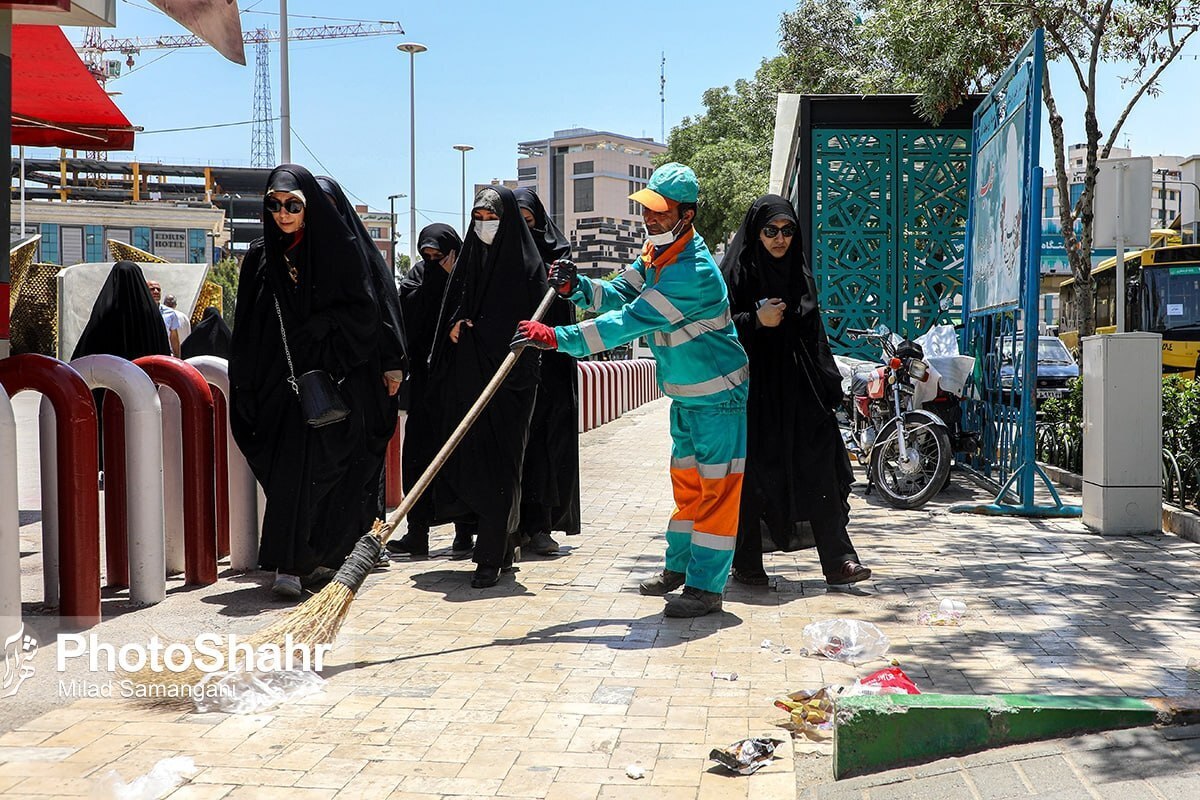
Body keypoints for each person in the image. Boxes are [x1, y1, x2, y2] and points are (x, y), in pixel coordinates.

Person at [512, 163, 748, 618]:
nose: (650, 219)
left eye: (661, 213)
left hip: (720, 398)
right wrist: (576, 288)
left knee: (717, 493)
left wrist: (557, 338)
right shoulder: (656, 254)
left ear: (688, 213)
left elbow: (628, 322)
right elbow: (619, 292)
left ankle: (706, 587)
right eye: (648, 211)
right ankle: (679, 569)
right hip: (687, 396)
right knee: (689, 489)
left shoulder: (691, 271)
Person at [228, 164, 393, 599]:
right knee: (288, 476)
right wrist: (243, 384)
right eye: (275, 205)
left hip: (329, 384)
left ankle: (315, 560)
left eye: (293, 206)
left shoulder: (336, 252)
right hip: (277, 385)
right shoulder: (261, 257)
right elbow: (245, 326)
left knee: (325, 474)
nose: (283, 214)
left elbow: (366, 314)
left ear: (309, 208)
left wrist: (327, 327)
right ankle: (289, 563)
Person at [720, 194, 870, 587]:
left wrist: (827, 388)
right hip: (752, 392)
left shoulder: (800, 275)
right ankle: (747, 563)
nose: (780, 239)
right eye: (771, 231)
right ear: (756, 233)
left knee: (819, 468)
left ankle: (840, 561)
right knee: (752, 477)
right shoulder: (736, 273)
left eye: (788, 231)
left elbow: (814, 336)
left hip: (801, 392)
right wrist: (756, 319)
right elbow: (716, 329)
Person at [428, 187, 548, 588]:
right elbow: (453, 309)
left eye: (490, 217)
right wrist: (457, 326)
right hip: (471, 380)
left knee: (504, 463)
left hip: (512, 381)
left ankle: (490, 556)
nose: (483, 225)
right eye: (477, 218)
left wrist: (484, 332)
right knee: (475, 460)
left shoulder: (528, 265)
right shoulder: (470, 262)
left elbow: (533, 323)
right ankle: (504, 540)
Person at [316, 175, 408, 526]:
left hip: (364, 374)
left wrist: (393, 366)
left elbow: (385, 309)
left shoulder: (362, 254)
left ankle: (369, 531)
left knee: (364, 456)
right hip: (319, 376)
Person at [387, 223, 476, 558]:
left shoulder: (468, 275)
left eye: (439, 256)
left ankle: (465, 534)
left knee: (460, 458)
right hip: (425, 389)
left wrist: (455, 279)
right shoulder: (419, 276)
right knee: (417, 458)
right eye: (427, 256)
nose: (432, 261)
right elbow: (406, 313)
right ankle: (417, 533)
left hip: (459, 386)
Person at [513, 187, 581, 556]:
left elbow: (567, 305)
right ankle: (504, 528)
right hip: (512, 366)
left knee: (544, 446)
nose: (526, 234)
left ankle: (540, 525)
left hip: (551, 366)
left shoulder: (558, 259)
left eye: (530, 224)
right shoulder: (503, 258)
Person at [146, 280, 182, 357]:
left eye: (158, 289)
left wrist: (177, 358)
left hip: (163, 353)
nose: (156, 291)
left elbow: (174, 338)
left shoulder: (170, 313)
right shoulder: (138, 311)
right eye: (152, 289)